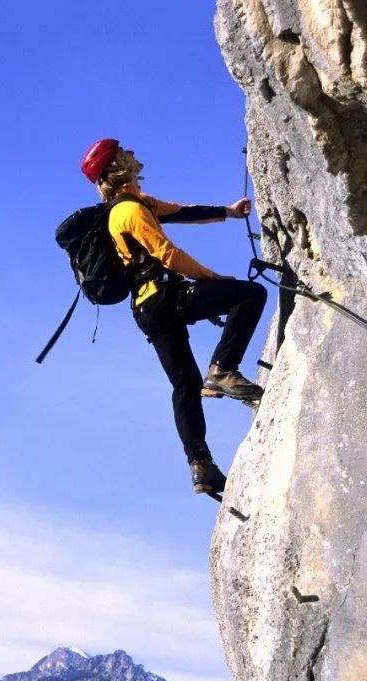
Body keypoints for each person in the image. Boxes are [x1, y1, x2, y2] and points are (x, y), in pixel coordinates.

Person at [81, 138, 267, 495]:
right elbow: (167, 254)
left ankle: (201, 466)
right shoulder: (129, 211)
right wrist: (212, 278)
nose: (133, 154)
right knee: (249, 294)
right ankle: (223, 369)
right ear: (117, 167)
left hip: (147, 310)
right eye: (124, 154)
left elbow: (179, 211)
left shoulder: (136, 204)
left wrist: (228, 211)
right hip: (167, 296)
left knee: (184, 385)